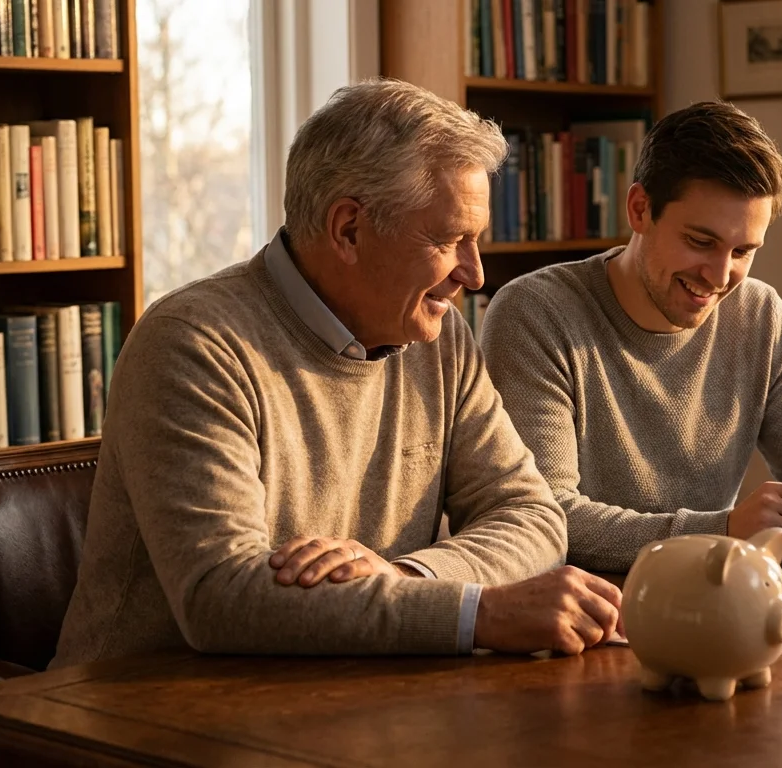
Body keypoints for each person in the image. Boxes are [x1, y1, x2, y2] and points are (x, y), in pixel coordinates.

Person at [50, 79, 622, 669]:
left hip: (354, 697)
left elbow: (531, 515)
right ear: (348, 229)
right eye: (450, 240)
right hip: (144, 715)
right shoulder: (194, 344)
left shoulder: (439, 335)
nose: (473, 275)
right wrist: (481, 613)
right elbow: (218, 595)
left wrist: (407, 576)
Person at [479, 101, 782, 574]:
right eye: (701, 242)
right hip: (588, 613)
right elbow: (547, 517)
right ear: (640, 209)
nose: (720, 275)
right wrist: (722, 531)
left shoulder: (758, 314)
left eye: (743, 251)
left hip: (714, 597)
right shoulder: (535, 314)